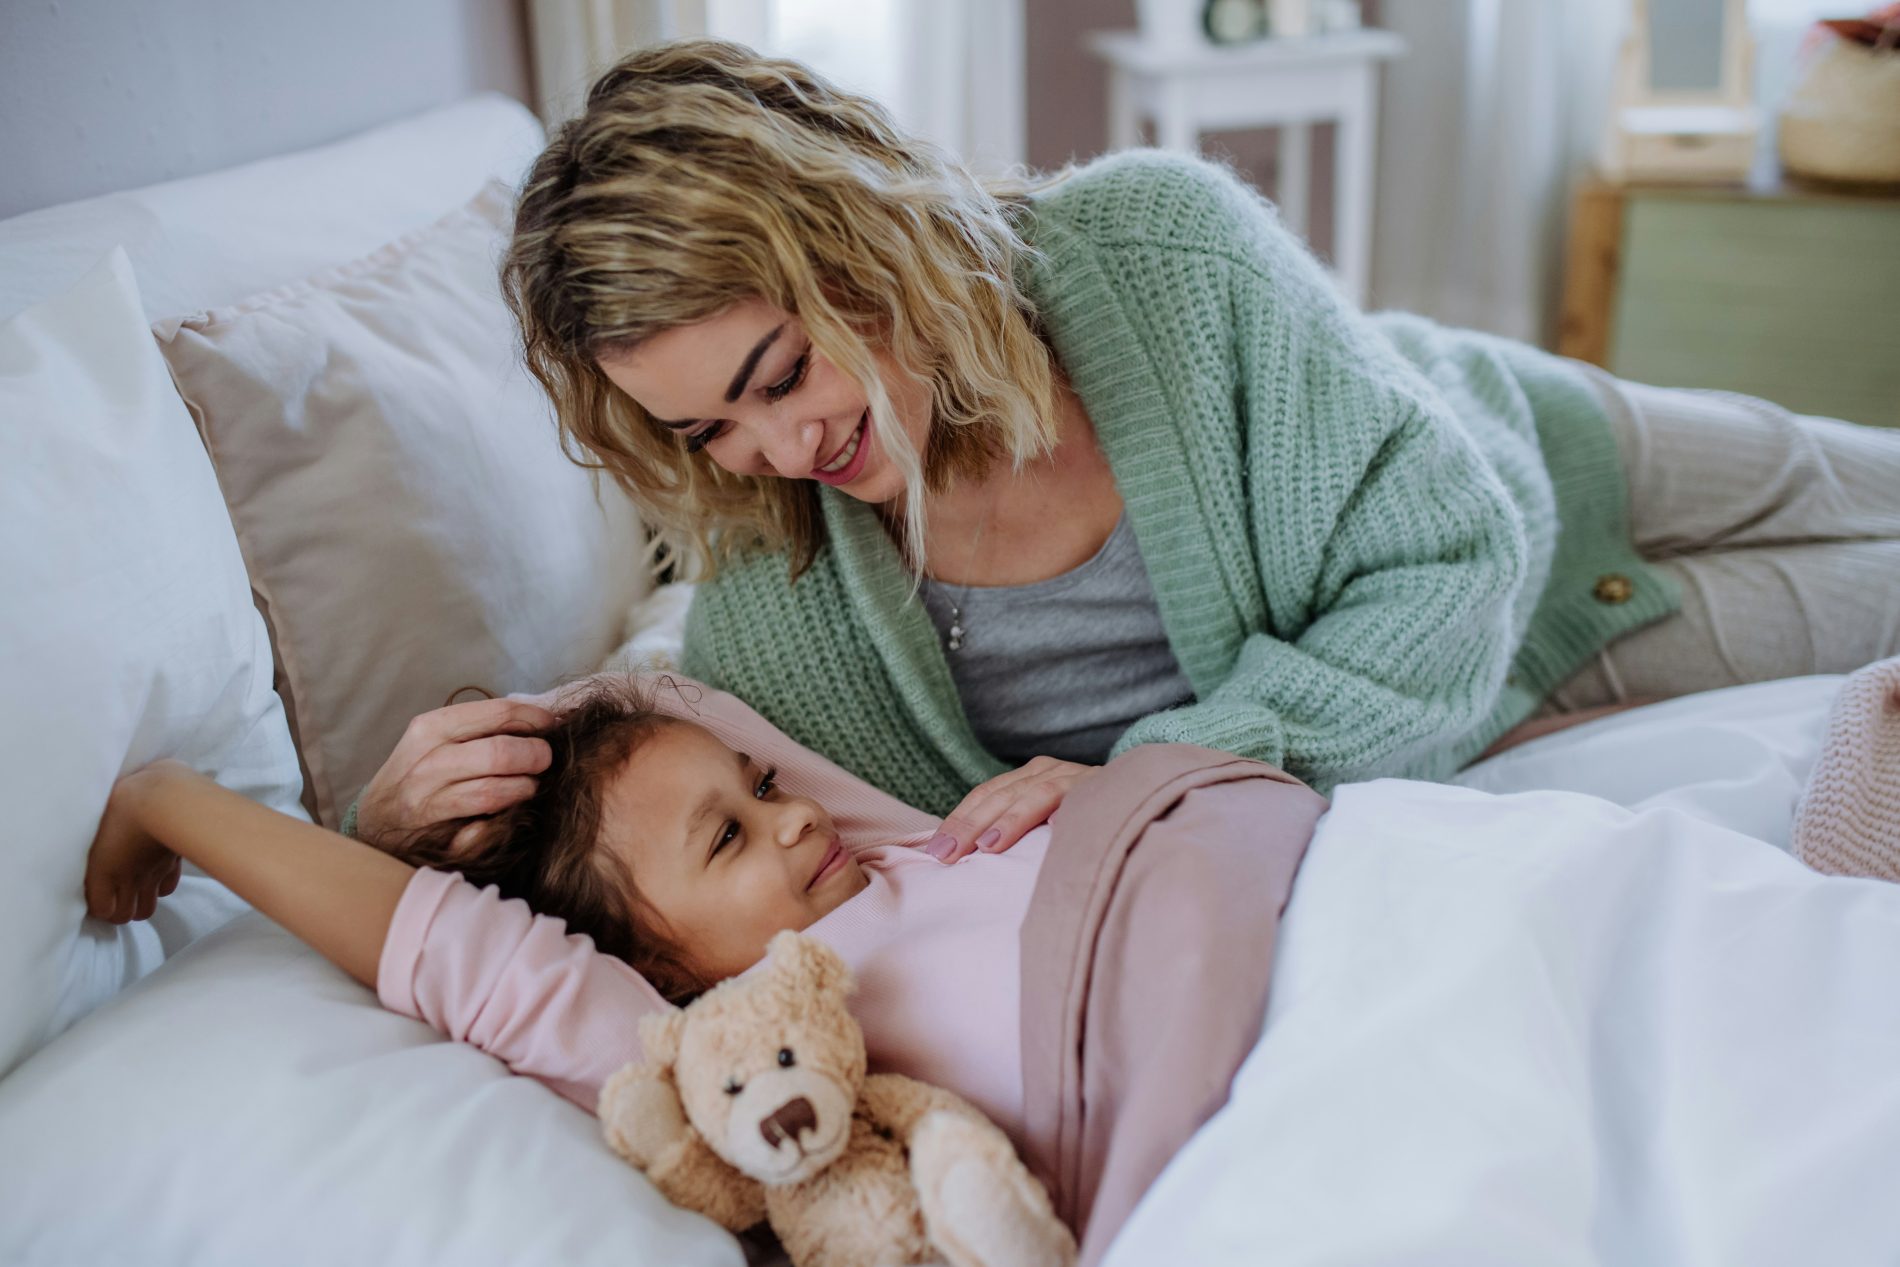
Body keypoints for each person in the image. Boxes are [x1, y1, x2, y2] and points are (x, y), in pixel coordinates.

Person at [349, 37, 1900, 865]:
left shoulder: (1153, 247)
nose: (781, 445)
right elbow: (639, 798)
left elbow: (1451, 544)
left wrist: (1167, 762)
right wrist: (406, 829)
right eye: (708, 429)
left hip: (1544, 446)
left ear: (865, 240)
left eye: (782, 367)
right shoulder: (785, 611)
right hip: (1548, 660)